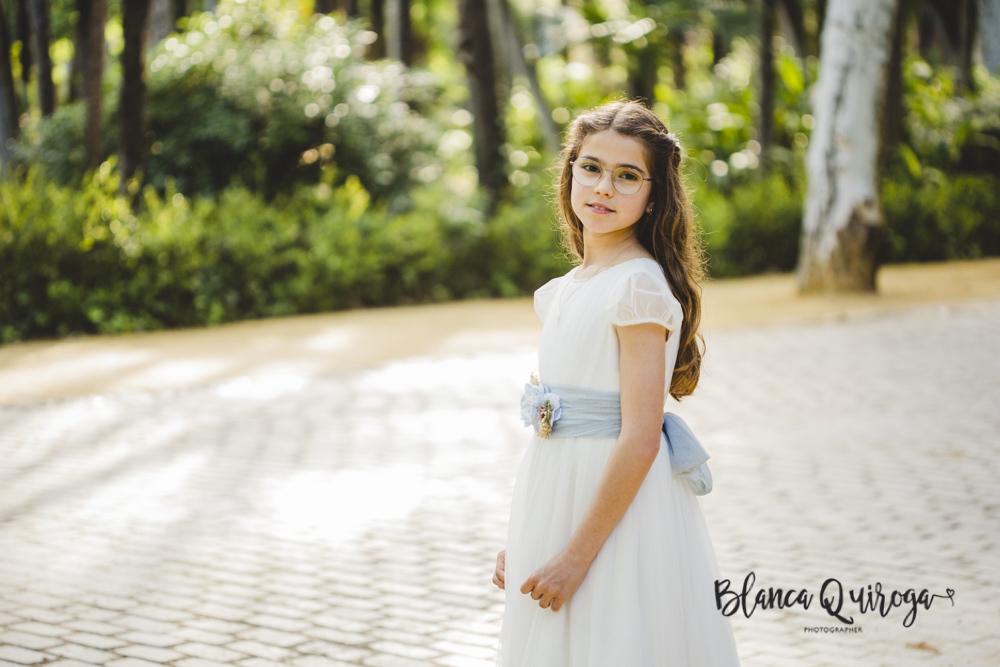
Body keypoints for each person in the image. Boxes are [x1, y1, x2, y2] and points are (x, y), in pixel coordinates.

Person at [492, 100, 741, 666]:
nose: (604, 187)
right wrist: (529, 535)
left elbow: (640, 437)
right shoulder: (568, 288)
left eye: (627, 176)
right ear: (571, 173)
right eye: (591, 167)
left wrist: (576, 556)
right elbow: (553, 431)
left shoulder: (638, 289)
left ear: (653, 196)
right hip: (559, 494)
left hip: (616, 514)